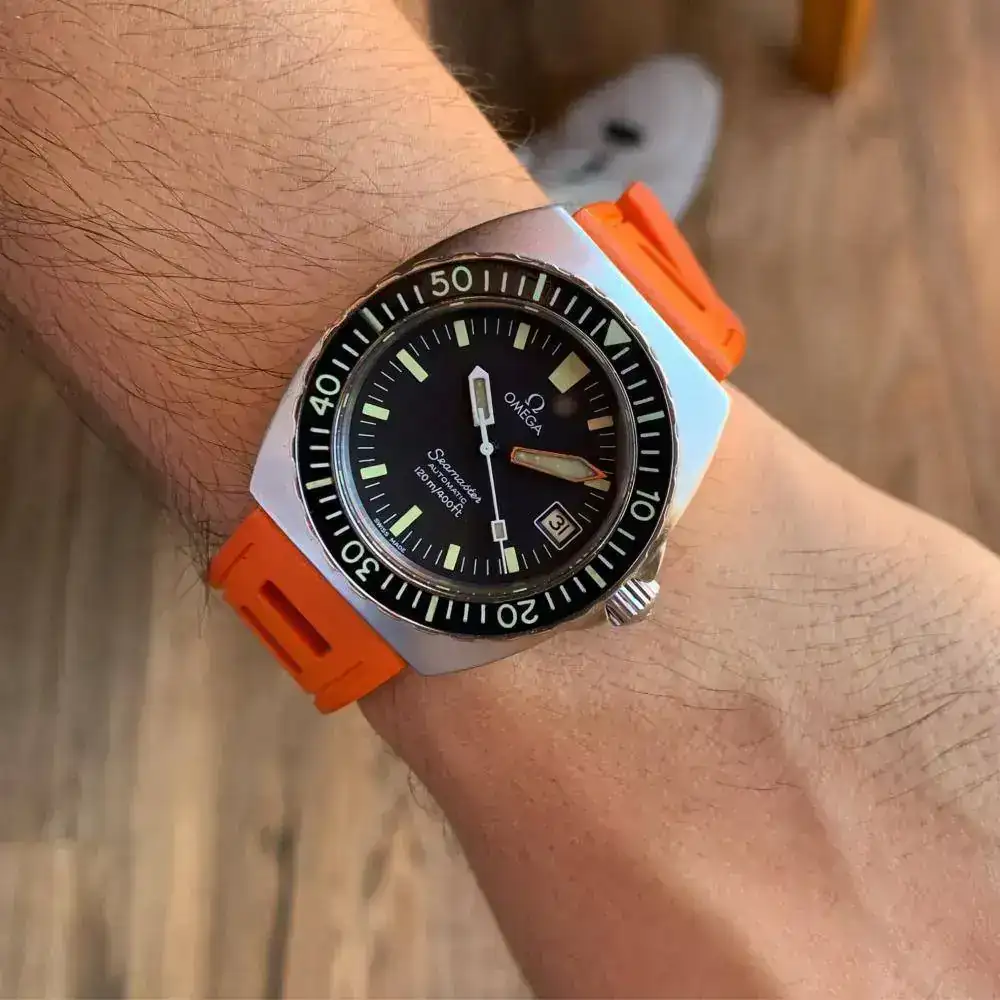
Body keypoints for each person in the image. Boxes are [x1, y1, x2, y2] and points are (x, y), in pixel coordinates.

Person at [2, 2, 998, 996]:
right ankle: (513, 225)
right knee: (490, 281)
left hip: (436, 447)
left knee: (503, 305)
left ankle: (519, 218)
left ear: (624, 579)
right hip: (473, 348)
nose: (492, 452)